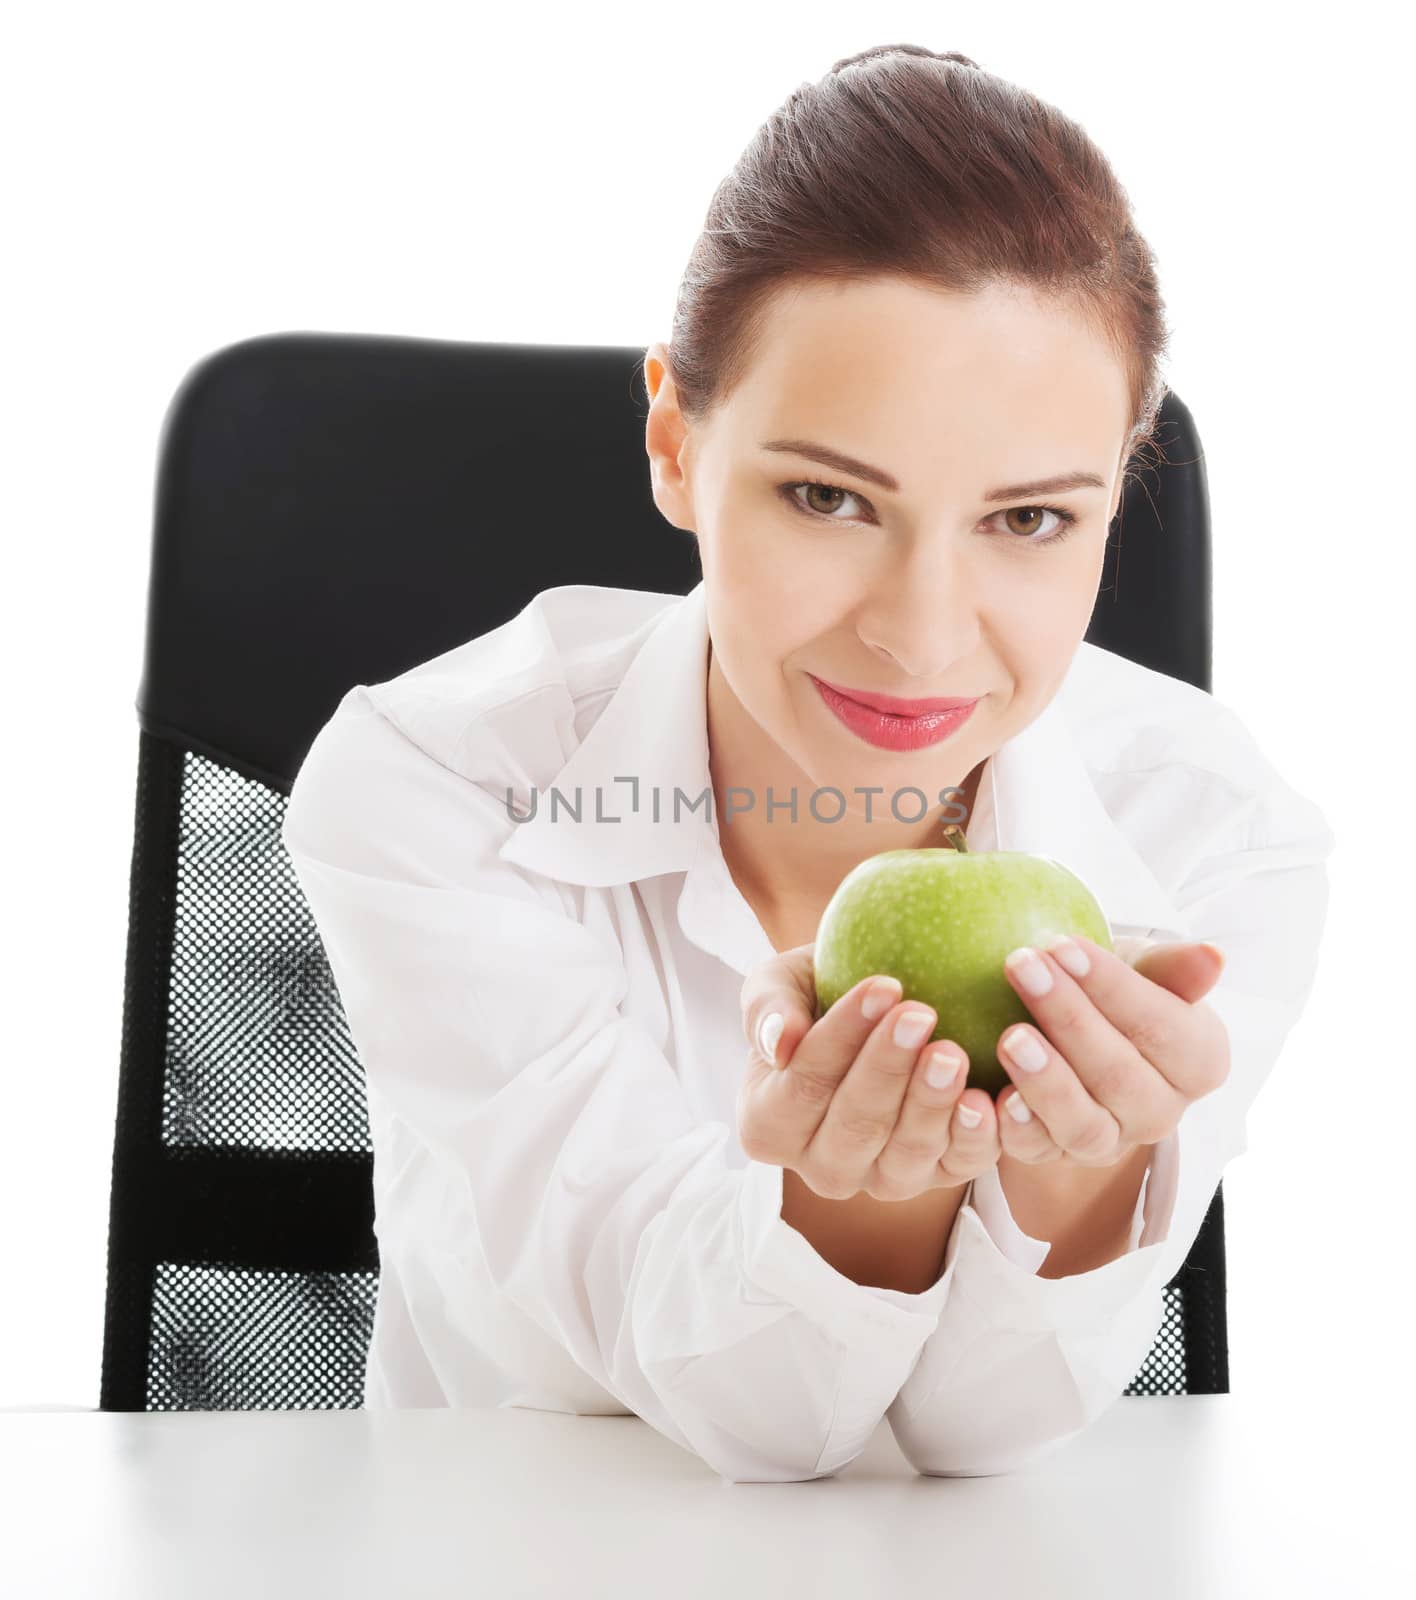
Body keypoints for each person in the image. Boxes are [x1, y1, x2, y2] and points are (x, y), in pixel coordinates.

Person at [280, 43, 1334, 1483]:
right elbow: (764, 1425)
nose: (917, 637)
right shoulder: (438, 783)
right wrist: (853, 1205)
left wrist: (1077, 1169)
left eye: (1025, 520)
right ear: (672, 442)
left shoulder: (1209, 833)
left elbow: (981, 1439)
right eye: (828, 497)